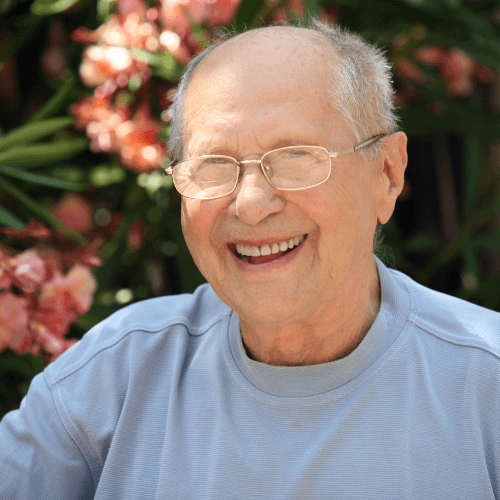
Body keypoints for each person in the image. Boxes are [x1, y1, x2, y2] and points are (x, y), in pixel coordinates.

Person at [1, 19, 500, 500]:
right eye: (214, 164)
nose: (252, 204)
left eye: (296, 156)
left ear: (387, 173)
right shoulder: (116, 376)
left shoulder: (485, 382)